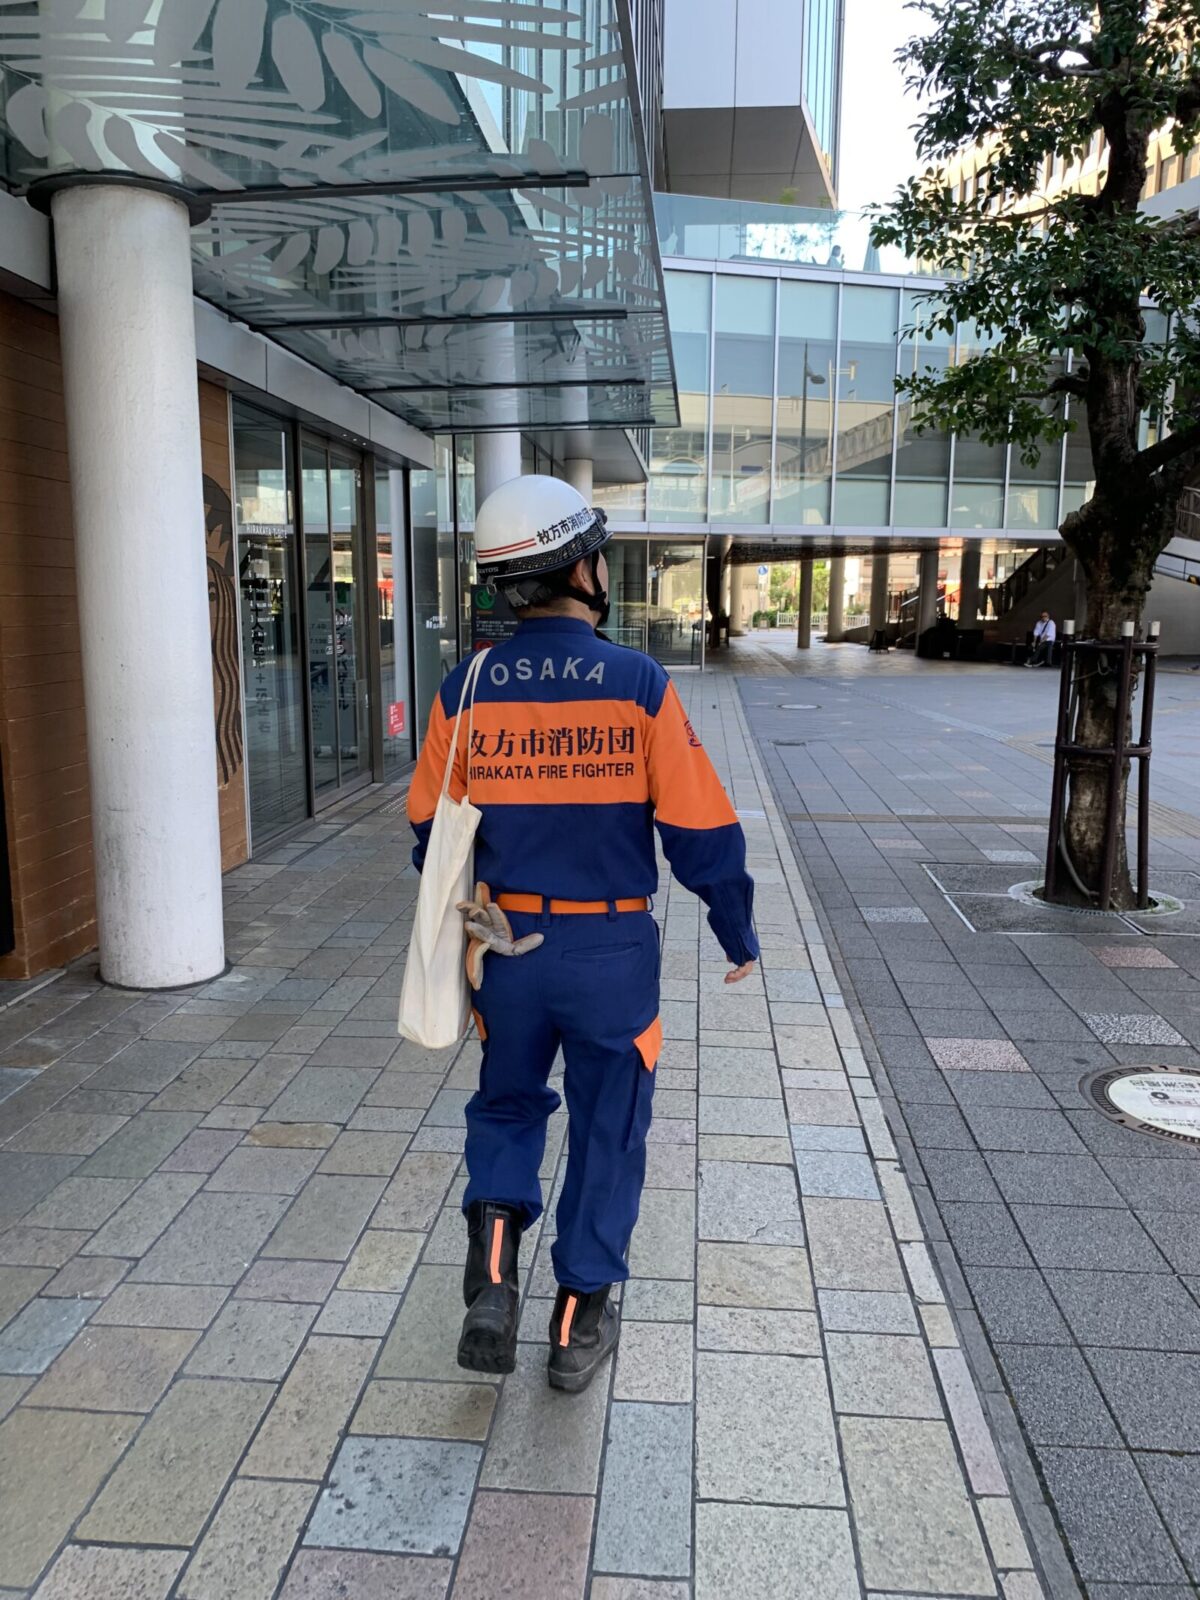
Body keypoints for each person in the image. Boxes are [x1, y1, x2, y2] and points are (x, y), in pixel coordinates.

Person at [407, 476, 759, 1393]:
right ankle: (574, 1324)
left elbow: (428, 834)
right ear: (582, 570)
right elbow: (700, 830)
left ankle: (493, 1276)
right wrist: (736, 928)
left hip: (505, 951)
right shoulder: (639, 683)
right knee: (610, 1130)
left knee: (507, 1105)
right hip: (611, 955)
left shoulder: (466, 689)